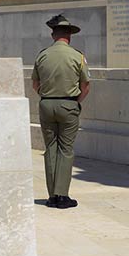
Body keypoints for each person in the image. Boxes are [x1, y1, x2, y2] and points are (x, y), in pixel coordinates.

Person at [32, 14, 90, 210]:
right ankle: (62, 196)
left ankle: (51, 197)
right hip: (68, 104)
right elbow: (85, 85)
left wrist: (48, 95)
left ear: (53, 34)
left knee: (51, 149)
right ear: (69, 35)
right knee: (65, 150)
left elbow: (35, 84)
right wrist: (76, 102)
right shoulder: (77, 56)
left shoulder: (42, 55)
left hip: (46, 104)